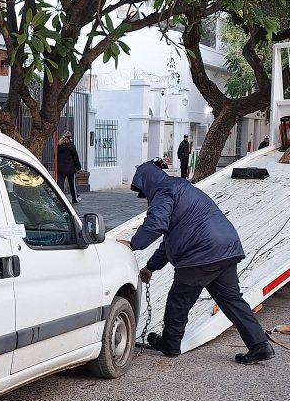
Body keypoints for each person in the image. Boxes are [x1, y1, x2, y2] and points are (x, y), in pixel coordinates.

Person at [118, 158, 274, 363]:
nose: (143, 195)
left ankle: (170, 344)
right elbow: (171, 239)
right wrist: (151, 267)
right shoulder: (181, 187)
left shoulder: (164, 193)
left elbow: (156, 224)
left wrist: (133, 244)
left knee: (178, 302)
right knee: (232, 301)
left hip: (201, 253)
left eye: (141, 189)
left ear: (146, 182)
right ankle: (260, 345)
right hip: (225, 248)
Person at [56, 131, 82, 204]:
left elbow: (55, 156)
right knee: (72, 185)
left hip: (61, 168)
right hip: (70, 169)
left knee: (60, 184)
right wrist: (78, 167)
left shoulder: (59, 146)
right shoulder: (72, 146)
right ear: (70, 138)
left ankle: (59, 199)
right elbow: (75, 158)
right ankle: (74, 199)